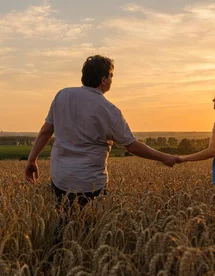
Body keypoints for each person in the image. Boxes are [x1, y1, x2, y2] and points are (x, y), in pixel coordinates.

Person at [24, 55, 179, 212]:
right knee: (90, 229)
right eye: (111, 75)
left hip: (60, 179)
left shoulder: (63, 95)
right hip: (90, 184)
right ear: (103, 80)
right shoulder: (110, 111)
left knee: (64, 221)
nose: (112, 79)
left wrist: (32, 160)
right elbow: (132, 146)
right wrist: (164, 157)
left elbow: (46, 130)